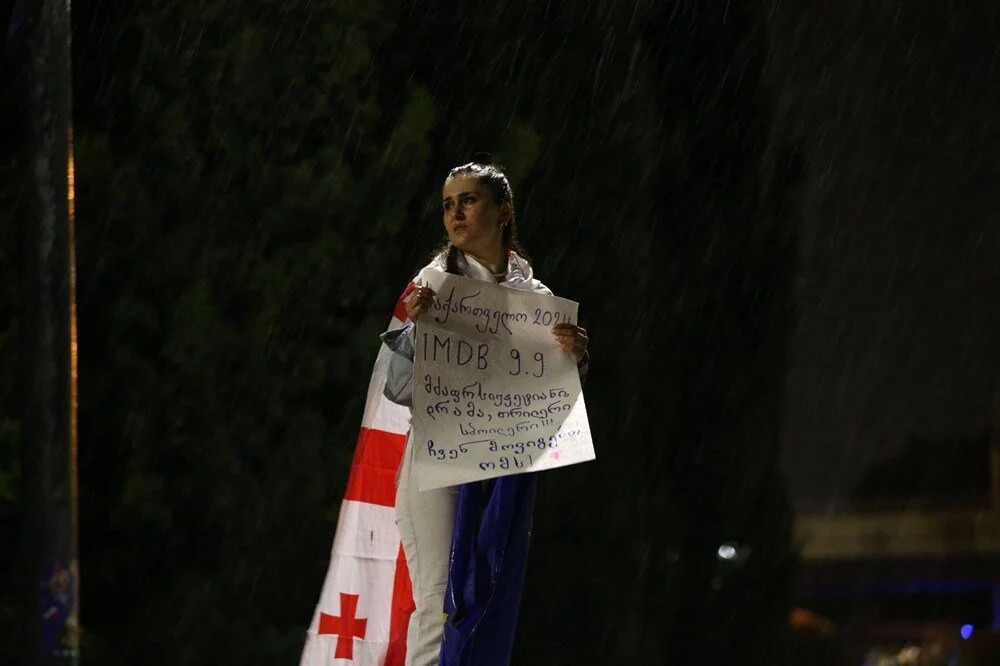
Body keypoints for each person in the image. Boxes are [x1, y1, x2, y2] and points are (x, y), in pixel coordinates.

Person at [380, 163, 588, 666]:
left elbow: (552, 404)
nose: (455, 214)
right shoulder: (434, 285)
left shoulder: (536, 299)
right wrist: (418, 329)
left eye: (468, 201)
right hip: (436, 462)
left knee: (487, 600)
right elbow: (398, 386)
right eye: (448, 205)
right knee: (437, 598)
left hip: (499, 470)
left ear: (504, 212)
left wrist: (577, 355)